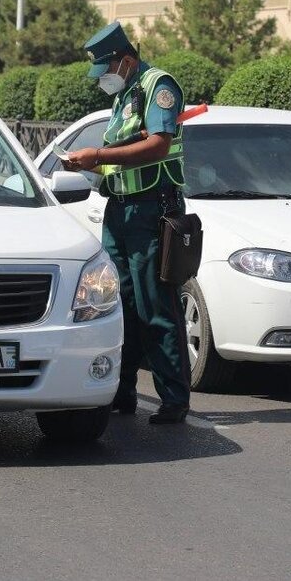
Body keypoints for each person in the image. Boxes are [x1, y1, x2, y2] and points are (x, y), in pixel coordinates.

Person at [62, 21, 191, 425]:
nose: (103, 79)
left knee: (155, 303)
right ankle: (122, 391)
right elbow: (123, 150)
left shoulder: (158, 86)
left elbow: (158, 145)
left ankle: (174, 398)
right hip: (120, 210)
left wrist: (98, 156)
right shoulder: (127, 95)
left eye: (106, 70)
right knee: (120, 304)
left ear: (126, 60)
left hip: (151, 210)